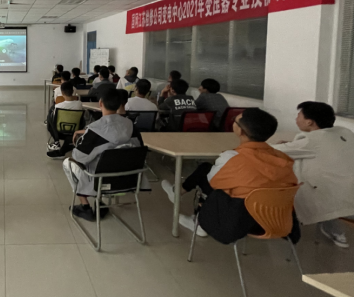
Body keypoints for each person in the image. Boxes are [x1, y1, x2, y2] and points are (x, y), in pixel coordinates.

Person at [161, 109, 298, 240]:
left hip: (237, 224)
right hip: (278, 223)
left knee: (206, 174)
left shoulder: (232, 157)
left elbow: (213, 182)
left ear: (240, 131)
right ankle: (177, 192)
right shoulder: (283, 158)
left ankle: (198, 221)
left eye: (235, 121)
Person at [272, 102, 354, 248]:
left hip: (325, 192)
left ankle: (280, 223)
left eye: (299, 116)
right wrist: (294, 145)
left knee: (286, 175)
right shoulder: (344, 132)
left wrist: (288, 146)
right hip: (347, 189)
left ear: (309, 122)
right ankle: (333, 227)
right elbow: (321, 148)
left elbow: (272, 150)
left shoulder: (310, 140)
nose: (296, 119)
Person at [63, 89, 142, 222]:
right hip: (129, 180)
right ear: (120, 105)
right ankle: (100, 203)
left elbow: (79, 157)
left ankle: (85, 206)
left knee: (68, 162)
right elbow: (138, 148)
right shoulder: (131, 126)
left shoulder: (95, 129)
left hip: (101, 182)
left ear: (100, 103)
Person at [47, 82, 84, 158]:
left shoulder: (58, 106)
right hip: (75, 129)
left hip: (59, 130)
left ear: (62, 93)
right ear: (73, 92)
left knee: (49, 118)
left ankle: (56, 141)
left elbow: (54, 119)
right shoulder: (79, 104)